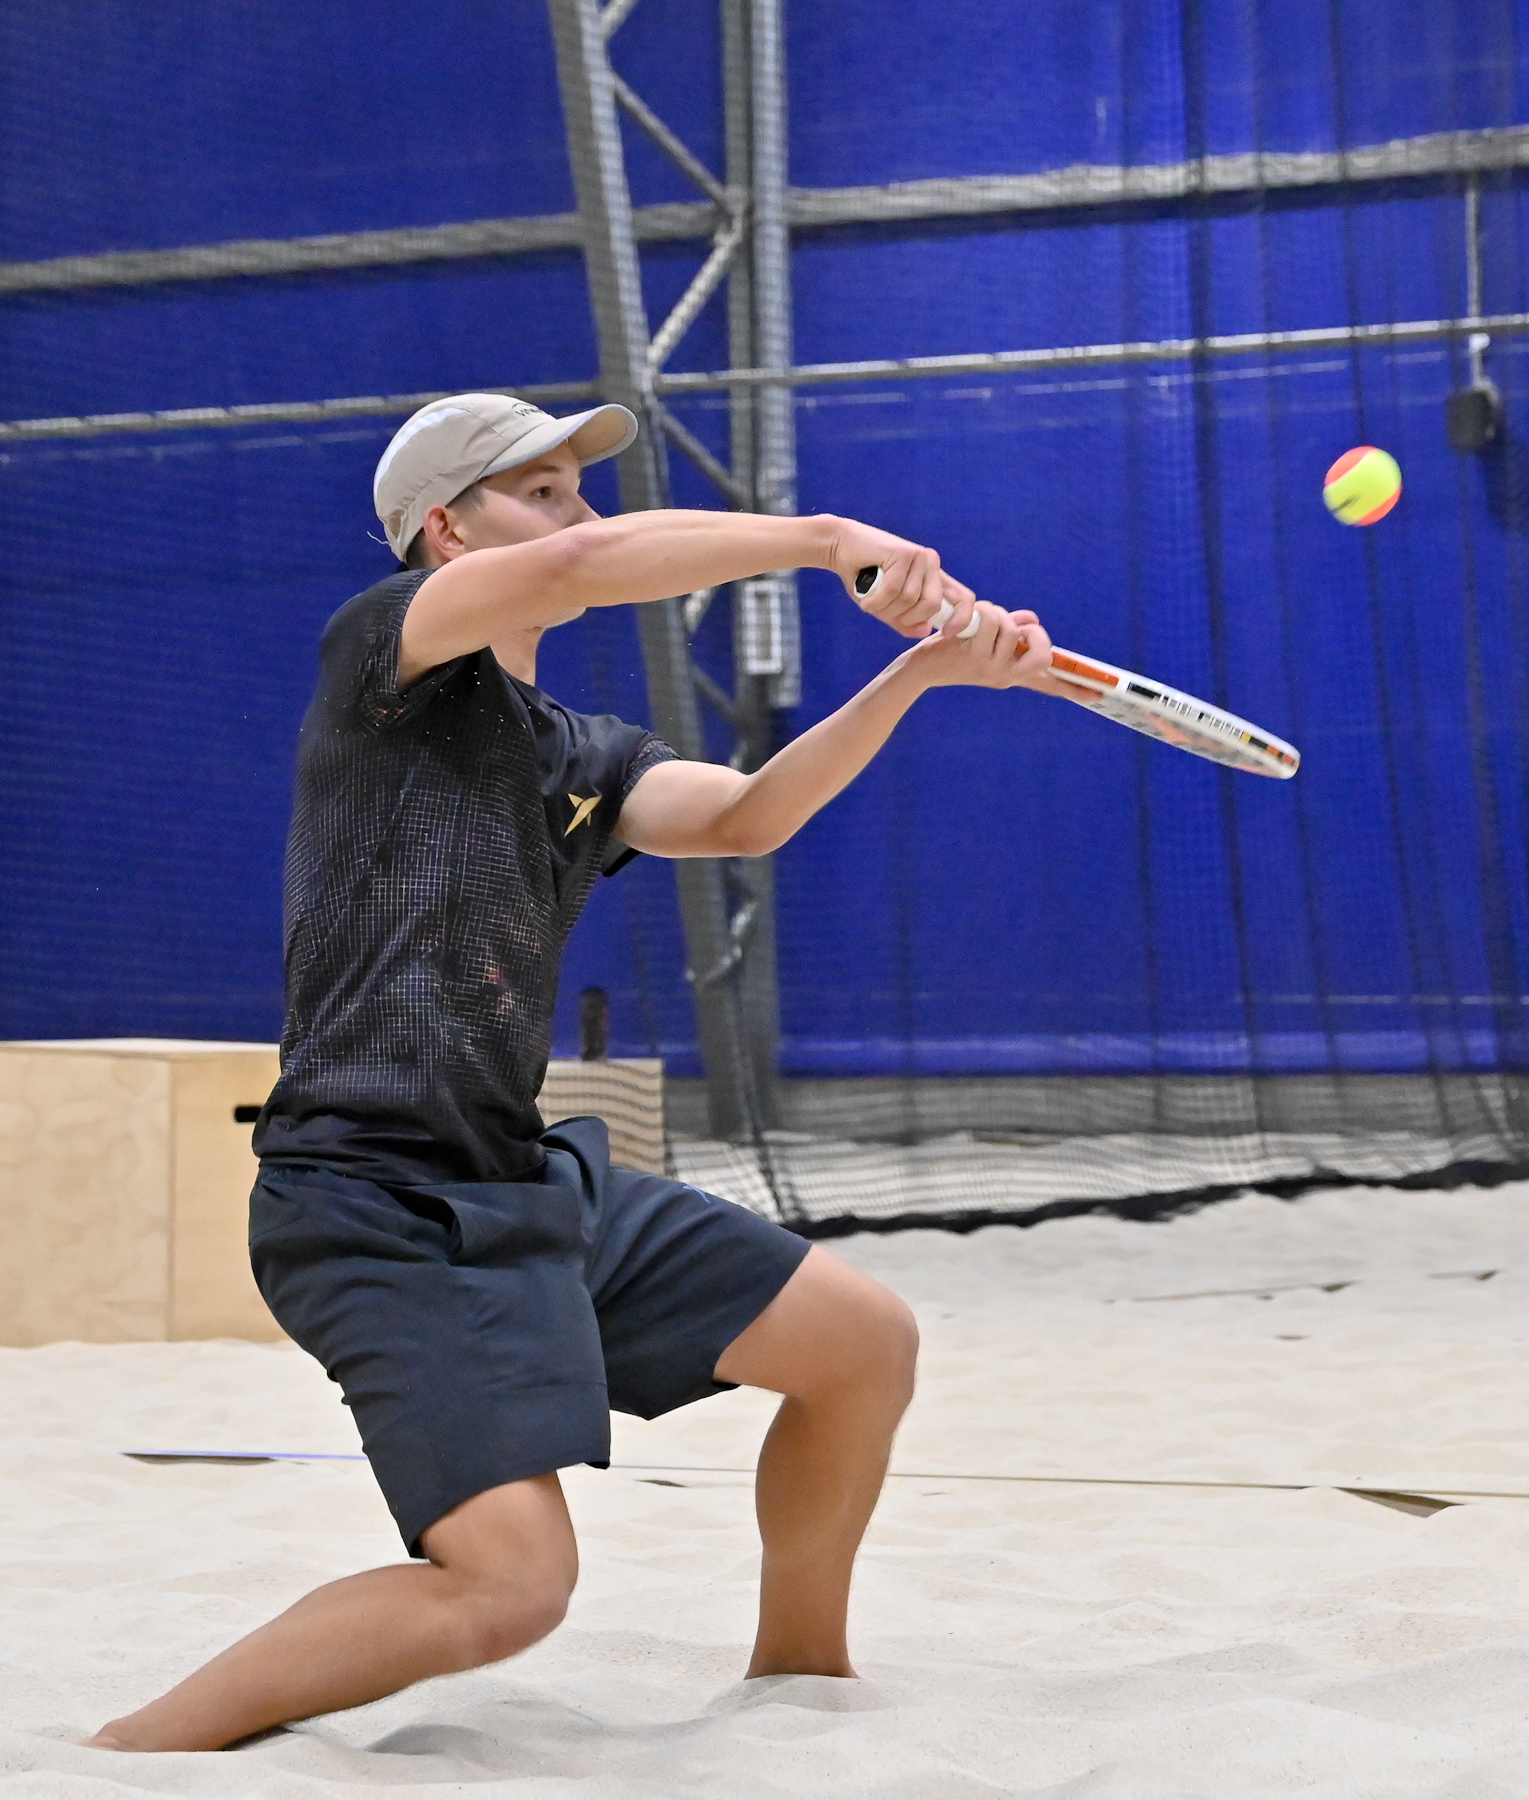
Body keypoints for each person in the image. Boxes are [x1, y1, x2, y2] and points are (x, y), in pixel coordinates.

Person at [87, 392, 1074, 1752]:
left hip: (516, 1178)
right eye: (538, 489)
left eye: (576, 487)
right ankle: (126, 1755)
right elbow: (578, 568)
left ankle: (799, 1677)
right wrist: (826, 535)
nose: (579, 513)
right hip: (370, 1202)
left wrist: (919, 675)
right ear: (446, 530)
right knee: (509, 1591)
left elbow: (746, 817)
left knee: (862, 1345)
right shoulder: (385, 649)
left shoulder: (580, 752)